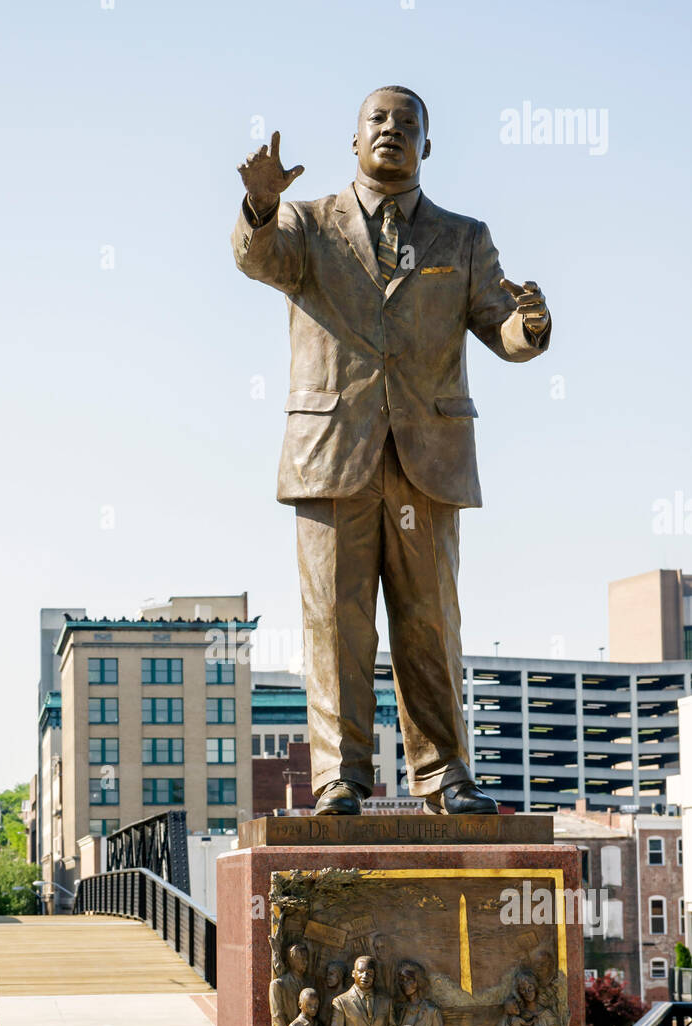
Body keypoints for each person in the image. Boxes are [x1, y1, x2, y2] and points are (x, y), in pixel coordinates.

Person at [233, 87, 550, 816]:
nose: (392, 131)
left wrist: (529, 328)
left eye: (408, 124)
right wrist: (258, 207)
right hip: (330, 453)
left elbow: (501, 328)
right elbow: (261, 260)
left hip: (427, 458)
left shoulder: (464, 238)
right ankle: (339, 776)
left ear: (427, 149)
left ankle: (444, 774)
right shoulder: (308, 224)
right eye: (378, 120)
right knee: (334, 624)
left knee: (430, 622)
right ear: (353, 142)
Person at [269, 941, 314, 1026]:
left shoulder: (309, 983)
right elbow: (278, 1017)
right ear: (292, 961)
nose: (306, 962)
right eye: (302, 959)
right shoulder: (279, 985)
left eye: (306, 959)